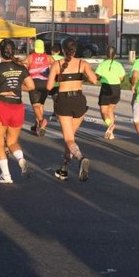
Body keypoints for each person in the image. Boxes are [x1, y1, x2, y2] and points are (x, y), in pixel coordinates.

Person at [46, 37, 98, 181]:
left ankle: (81, 158)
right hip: (79, 101)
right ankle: (64, 168)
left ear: (63, 50)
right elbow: (94, 80)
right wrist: (81, 77)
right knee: (71, 138)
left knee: (69, 138)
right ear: (75, 49)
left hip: (64, 101)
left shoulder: (57, 64)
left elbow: (49, 87)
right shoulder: (83, 63)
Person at [0, 39, 36, 183]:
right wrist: (18, 88)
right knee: (12, 141)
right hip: (18, 107)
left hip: (1, 105)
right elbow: (31, 86)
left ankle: (6, 175)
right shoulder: (21, 68)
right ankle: (21, 159)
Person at [23, 39, 54, 136]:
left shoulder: (30, 57)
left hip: (34, 83)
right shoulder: (48, 57)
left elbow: (23, 68)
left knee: (35, 105)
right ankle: (37, 125)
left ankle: (41, 122)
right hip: (45, 83)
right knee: (41, 104)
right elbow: (56, 67)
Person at [94, 46, 126, 140]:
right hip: (116, 88)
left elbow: (97, 76)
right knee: (111, 110)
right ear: (115, 55)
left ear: (105, 54)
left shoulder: (102, 64)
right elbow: (122, 78)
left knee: (103, 111)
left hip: (106, 88)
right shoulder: (119, 65)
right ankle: (111, 134)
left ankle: (110, 125)